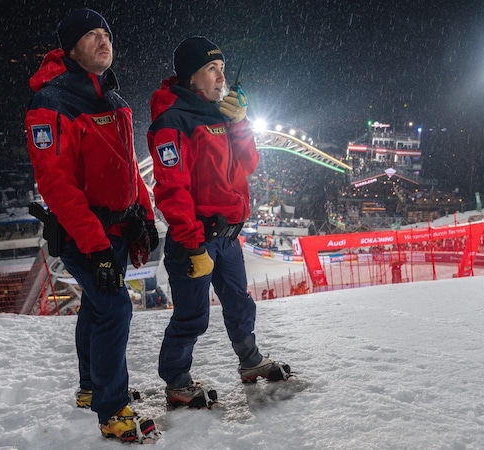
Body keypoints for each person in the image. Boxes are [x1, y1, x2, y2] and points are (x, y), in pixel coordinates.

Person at [25, 8, 158, 443]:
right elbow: (55, 183)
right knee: (115, 306)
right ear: (69, 49)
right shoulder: (52, 102)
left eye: (107, 34)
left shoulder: (113, 99)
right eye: (92, 36)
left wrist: (145, 214)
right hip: (86, 235)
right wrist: (96, 246)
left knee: (98, 308)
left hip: (118, 229)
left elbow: (128, 168)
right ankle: (112, 407)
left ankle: (90, 387)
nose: (104, 42)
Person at [147, 36, 292, 409]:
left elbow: (249, 164)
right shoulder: (173, 121)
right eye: (212, 69)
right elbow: (171, 190)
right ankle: (177, 383)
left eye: (222, 69)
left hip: (228, 238)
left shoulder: (222, 115)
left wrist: (241, 123)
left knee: (240, 305)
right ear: (191, 76)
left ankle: (250, 362)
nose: (220, 77)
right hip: (195, 238)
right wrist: (192, 243)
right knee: (192, 317)